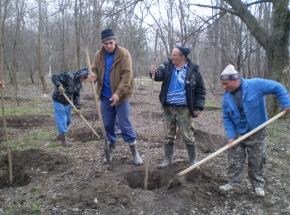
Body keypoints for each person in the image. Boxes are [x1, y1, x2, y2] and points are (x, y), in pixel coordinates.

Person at [219, 64, 290, 197]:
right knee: (234, 159)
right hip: (238, 133)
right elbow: (227, 119)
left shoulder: (255, 85)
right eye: (223, 84)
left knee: (256, 160)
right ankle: (232, 183)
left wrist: (286, 102)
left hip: (257, 131)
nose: (224, 87)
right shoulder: (226, 98)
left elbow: (277, 87)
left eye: (226, 83)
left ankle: (258, 185)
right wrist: (231, 136)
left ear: (234, 79)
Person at [88, 28, 142, 166]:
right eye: (105, 43)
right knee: (107, 125)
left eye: (111, 42)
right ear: (102, 43)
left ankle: (135, 152)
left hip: (121, 97)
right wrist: (93, 75)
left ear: (115, 41)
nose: (109, 46)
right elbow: (94, 69)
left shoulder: (124, 54)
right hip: (105, 97)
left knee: (124, 124)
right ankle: (111, 149)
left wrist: (118, 94)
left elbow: (127, 76)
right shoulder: (98, 55)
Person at [149, 46, 206, 168]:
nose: (172, 57)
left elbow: (201, 90)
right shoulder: (167, 66)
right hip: (168, 107)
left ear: (183, 57)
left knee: (187, 135)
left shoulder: (193, 71)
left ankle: (193, 161)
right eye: (172, 54)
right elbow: (158, 76)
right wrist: (153, 72)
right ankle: (167, 159)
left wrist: (198, 107)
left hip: (184, 109)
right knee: (168, 135)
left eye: (175, 55)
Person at [51, 67, 88, 146]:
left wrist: (77, 108)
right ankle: (64, 141)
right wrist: (59, 86)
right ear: (80, 75)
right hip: (58, 99)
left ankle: (60, 135)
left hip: (67, 102)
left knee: (67, 121)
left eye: (85, 78)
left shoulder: (79, 84)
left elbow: (76, 96)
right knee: (62, 120)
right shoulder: (69, 76)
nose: (83, 79)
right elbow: (54, 77)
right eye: (83, 77)